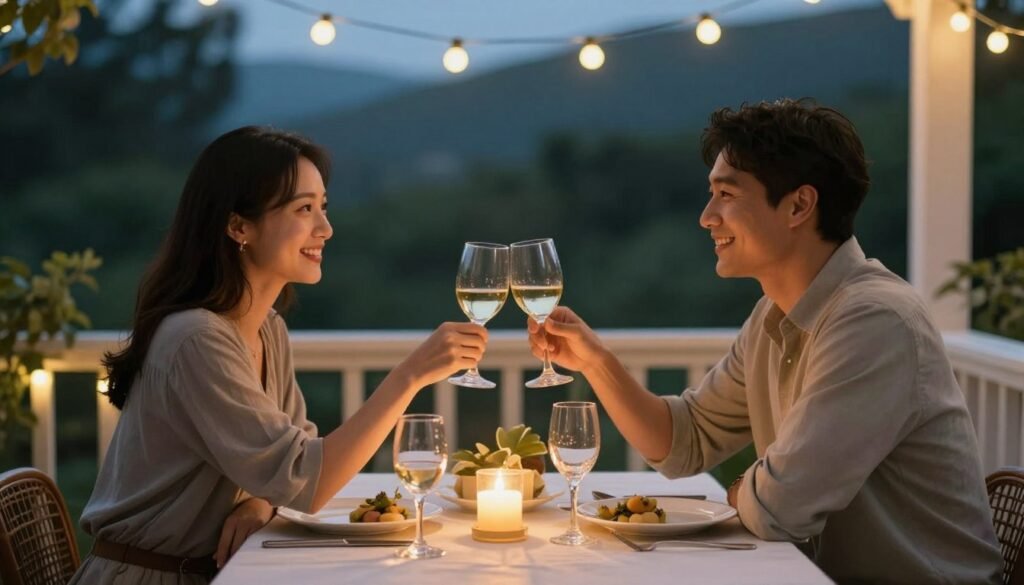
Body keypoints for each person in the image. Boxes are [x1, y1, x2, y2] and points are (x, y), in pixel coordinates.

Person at [527, 99, 1002, 584]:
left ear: (799, 205)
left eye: (726, 195)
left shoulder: (875, 321)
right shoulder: (774, 315)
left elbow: (779, 509)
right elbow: (683, 442)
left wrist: (745, 489)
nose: (707, 216)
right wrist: (596, 362)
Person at [70, 127, 487, 584]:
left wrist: (260, 501)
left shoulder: (268, 330)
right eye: (303, 209)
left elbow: (294, 462)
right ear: (238, 226)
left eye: (322, 207)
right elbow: (309, 480)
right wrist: (409, 375)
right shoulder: (197, 339)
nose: (325, 229)